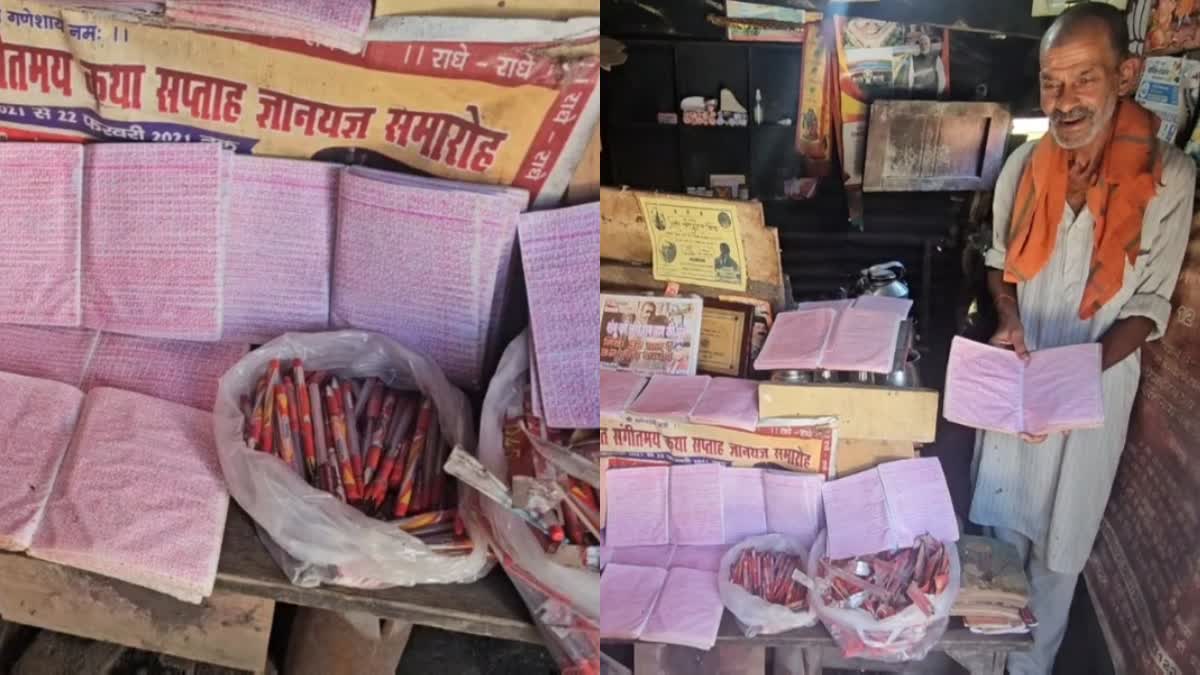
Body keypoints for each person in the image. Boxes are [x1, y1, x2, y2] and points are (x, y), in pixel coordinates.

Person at [970, 4, 1195, 674]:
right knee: (998, 532)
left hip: (1097, 391)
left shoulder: (1169, 178)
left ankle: (1030, 667)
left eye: (1083, 79)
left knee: (1059, 550)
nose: (1064, 102)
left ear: (1125, 74)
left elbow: (1150, 303)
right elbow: (997, 258)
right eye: (1051, 83)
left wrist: (1072, 375)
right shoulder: (1023, 166)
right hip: (1019, 373)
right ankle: (984, 660)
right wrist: (1007, 317)